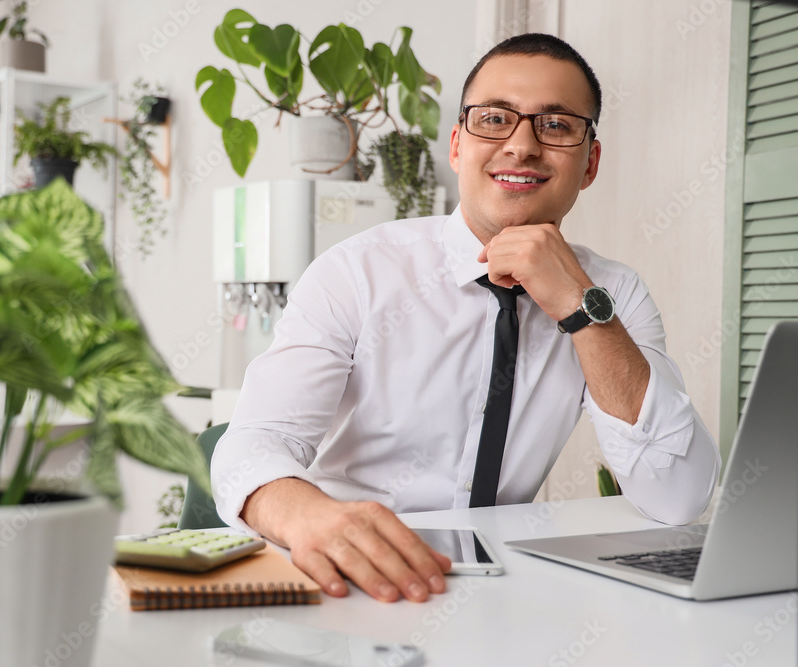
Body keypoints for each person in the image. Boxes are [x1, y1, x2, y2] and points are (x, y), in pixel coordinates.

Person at [210, 33, 721, 604]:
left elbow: (677, 496)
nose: (522, 146)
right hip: (344, 578)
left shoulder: (613, 293)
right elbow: (253, 443)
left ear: (589, 162)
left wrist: (581, 307)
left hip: (498, 592)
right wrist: (311, 518)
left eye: (555, 125)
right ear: (456, 146)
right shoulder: (357, 272)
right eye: (495, 119)